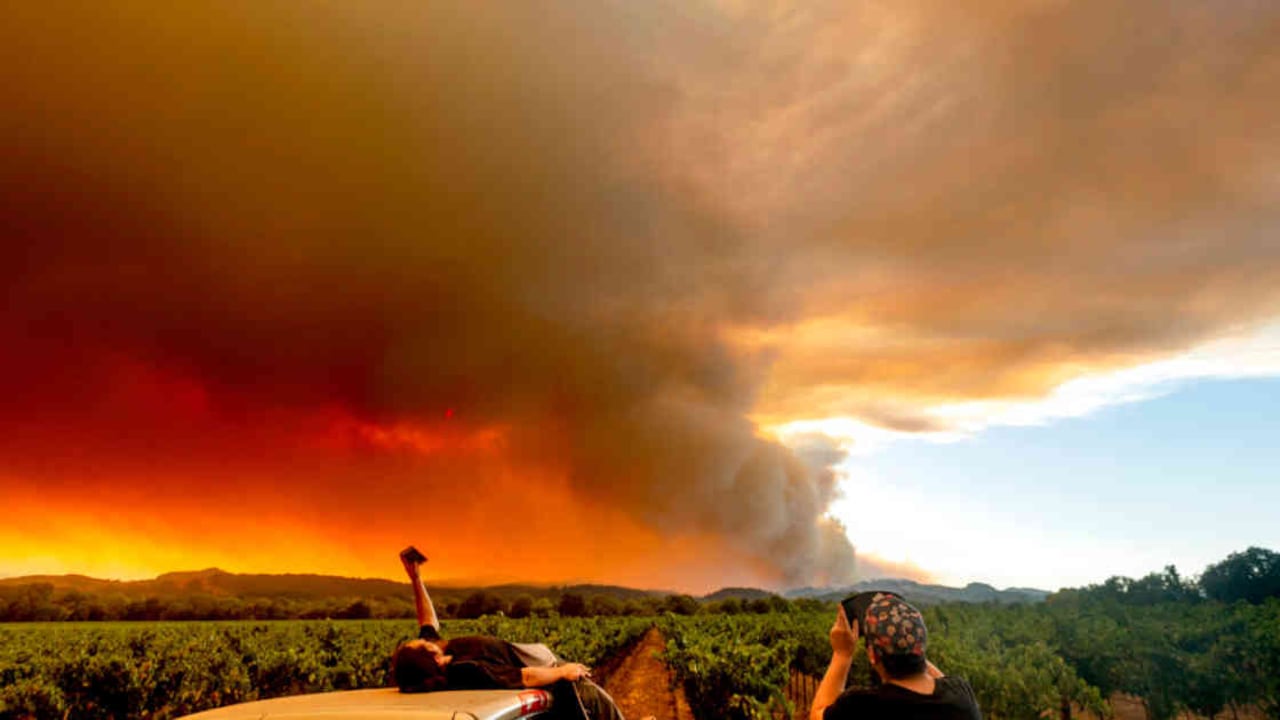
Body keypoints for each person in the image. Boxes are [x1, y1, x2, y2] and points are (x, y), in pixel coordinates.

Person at [391, 547, 628, 720]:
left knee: (598, 700)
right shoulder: (468, 669)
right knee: (593, 699)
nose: (421, 639)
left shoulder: (441, 650)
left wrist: (416, 578)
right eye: (418, 644)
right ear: (431, 658)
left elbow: (427, 619)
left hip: (546, 666)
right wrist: (562, 672)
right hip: (549, 675)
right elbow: (524, 677)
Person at [810, 593, 982, 720]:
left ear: (872, 655)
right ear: (922, 645)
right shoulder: (961, 696)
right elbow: (943, 683)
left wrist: (842, 655)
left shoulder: (862, 707)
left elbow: (817, 714)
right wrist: (909, 642)